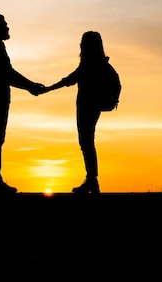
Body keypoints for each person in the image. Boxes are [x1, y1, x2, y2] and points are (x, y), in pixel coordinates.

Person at [39, 31, 110, 194]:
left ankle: (92, 180)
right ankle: (92, 179)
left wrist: (48, 89)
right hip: (93, 105)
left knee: (86, 142)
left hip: (87, 105)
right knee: (87, 142)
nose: (80, 46)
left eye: (82, 43)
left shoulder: (89, 64)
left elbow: (69, 80)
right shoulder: (100, 63)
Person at [0, 12, 44, 195]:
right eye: (4, 24)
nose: (8, 27)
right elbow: (7, 74)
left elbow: (8, 73)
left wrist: (29, 86)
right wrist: (30, 86)